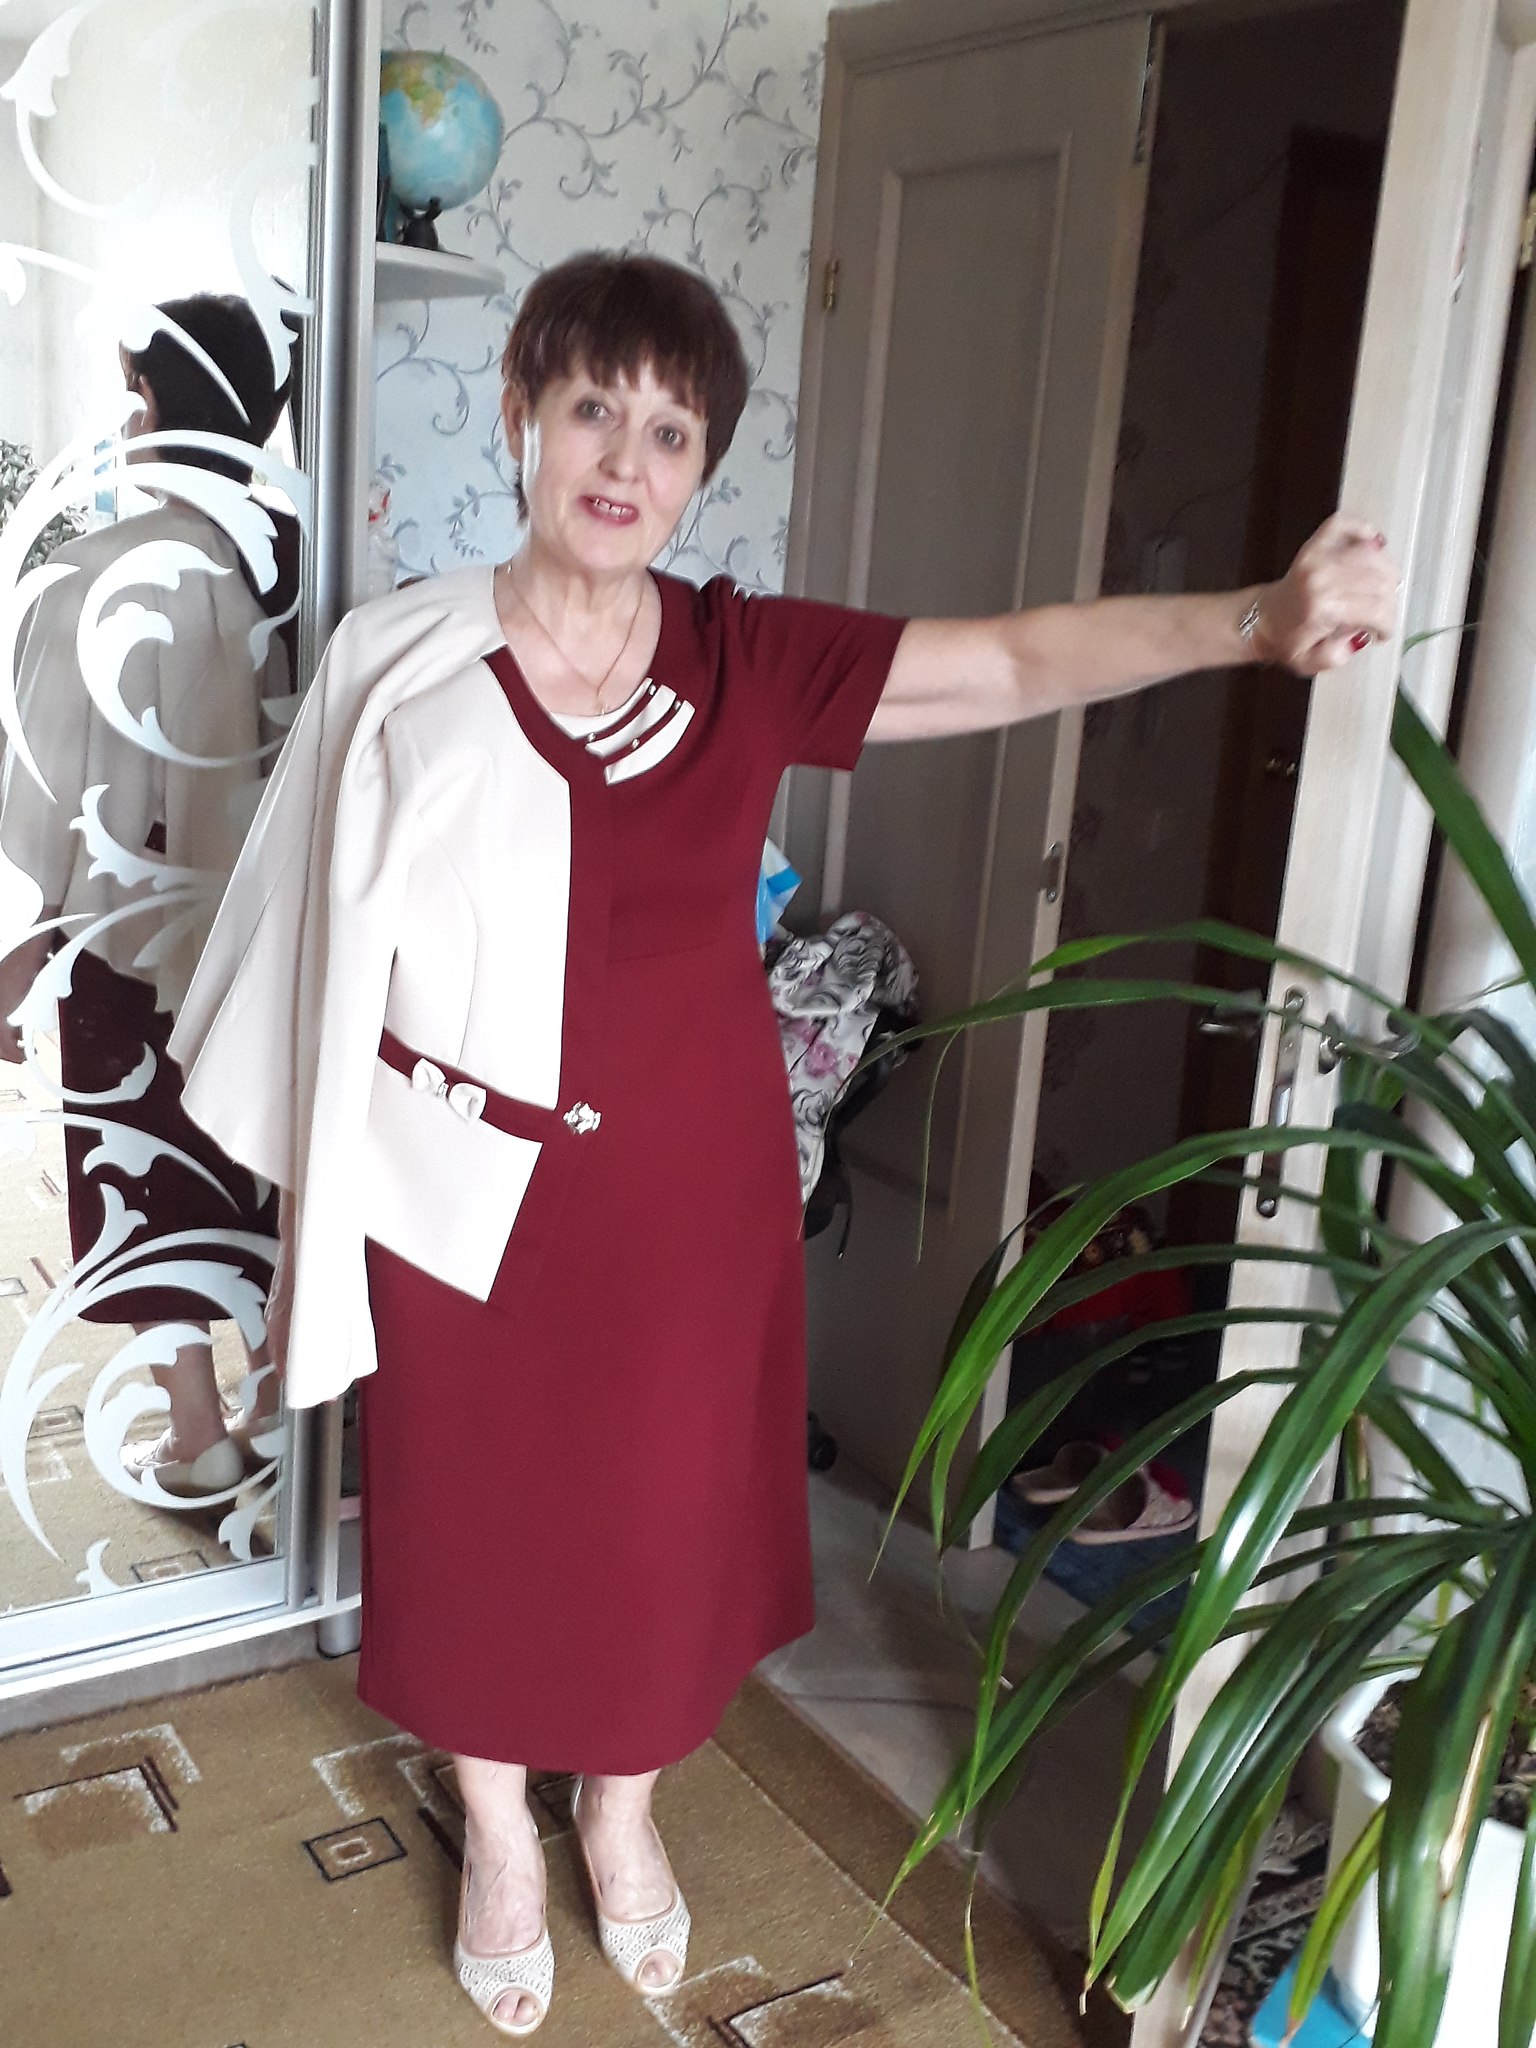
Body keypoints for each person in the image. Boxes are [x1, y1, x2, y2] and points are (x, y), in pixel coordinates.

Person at [167, 251, 1399, 2036]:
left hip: (689, 1200)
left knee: (661, 1524)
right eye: (594, 407)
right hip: (460, 1194)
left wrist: (1250, 619)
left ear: (700, 469)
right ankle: (499, 1826)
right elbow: (308, 943)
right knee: (475, 1517)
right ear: (522, 410)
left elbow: (1006, 659)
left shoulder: (744, 658)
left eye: (671, 432)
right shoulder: (400, 655)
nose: (625, 458)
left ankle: (622, 1810)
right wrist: (318, 1198)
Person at [0, 293, 295, 1498]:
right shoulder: (292, 564)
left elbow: (35, 803)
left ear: (165, 407)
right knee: (253, 1164)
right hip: (265, 938)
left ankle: (195, 1428)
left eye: (135, 392)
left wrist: (9, 968)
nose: (125, 418)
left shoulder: (87, 575)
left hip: (127, 941)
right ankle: (284, 1406)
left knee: (143, 1174)